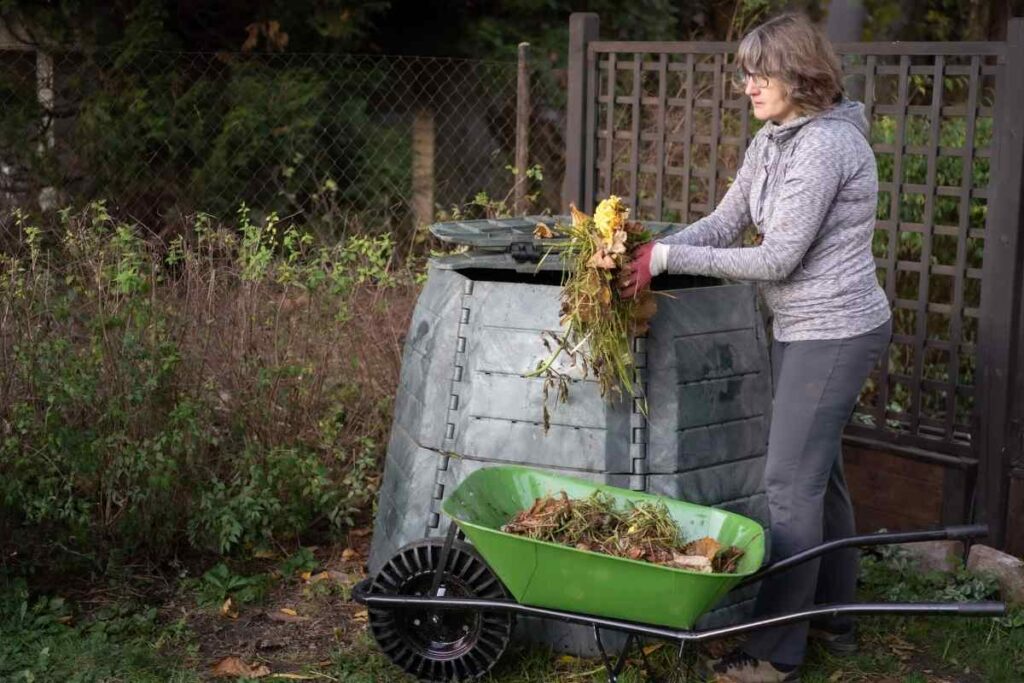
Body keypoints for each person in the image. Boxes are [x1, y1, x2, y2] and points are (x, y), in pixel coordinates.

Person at [619, 12, 893, 683]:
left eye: (758, 73)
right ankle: (836, 615)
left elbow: (776, 258)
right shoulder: (775, 140)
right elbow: (725, 220)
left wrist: (665, 260)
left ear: (799, 74)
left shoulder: (828, 146)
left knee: (787, 484)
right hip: (803, 327)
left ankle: (775, 653)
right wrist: (652, 252)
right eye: (745, 73)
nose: (746, 86)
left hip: (836, 329)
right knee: (817, 477)